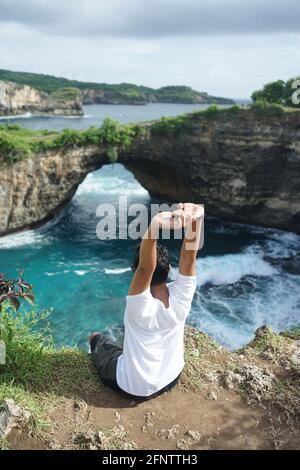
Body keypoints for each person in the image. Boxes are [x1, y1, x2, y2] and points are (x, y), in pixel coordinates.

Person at [90, 202, 204, 400]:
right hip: (171, 377)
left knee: (96, 337)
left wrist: (154, 226)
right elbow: (188, 258)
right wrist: (196, 219)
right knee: (119, 349)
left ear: (135, 273)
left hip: (133, 387)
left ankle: (96, 341)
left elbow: (145, 268)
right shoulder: (182, 296)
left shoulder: (139, 305)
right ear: (169, 270)